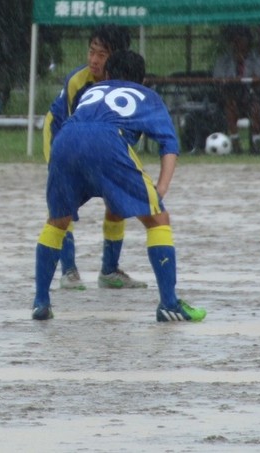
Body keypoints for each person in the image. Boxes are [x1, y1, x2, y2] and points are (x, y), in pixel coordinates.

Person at [32, 49, 205, 323]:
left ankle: (41, 301)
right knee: (158, 219)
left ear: (108, 75)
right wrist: (161, 188)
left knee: (57, 221)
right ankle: (169, 303)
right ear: (142, 80)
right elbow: (168, 144)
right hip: (108, 142)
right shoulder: (147, 95)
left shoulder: (92, 91)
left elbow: (77, 124)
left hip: (64, 142)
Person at [41, 24, 146, 290]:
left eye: (102, 54)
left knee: (116, 200)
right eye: (91, 52)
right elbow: (68, 127)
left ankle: (109, 271)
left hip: (100, 143)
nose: (93, 60)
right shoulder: (78, 82)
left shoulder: (129, 86)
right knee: (63, 204)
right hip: (62, 136)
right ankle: (69, 271)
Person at [211, 25, 260, 153]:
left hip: (252, 94)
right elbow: (217, 77)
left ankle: (256, 142)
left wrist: (251, 79)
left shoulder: (256, 57)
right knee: (230, 106)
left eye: (242, 40)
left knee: (256, 109)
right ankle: (235, 142)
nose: (238, 44)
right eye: (235, 40)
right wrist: (231, 79)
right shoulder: (225, 59)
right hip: (231, 95)